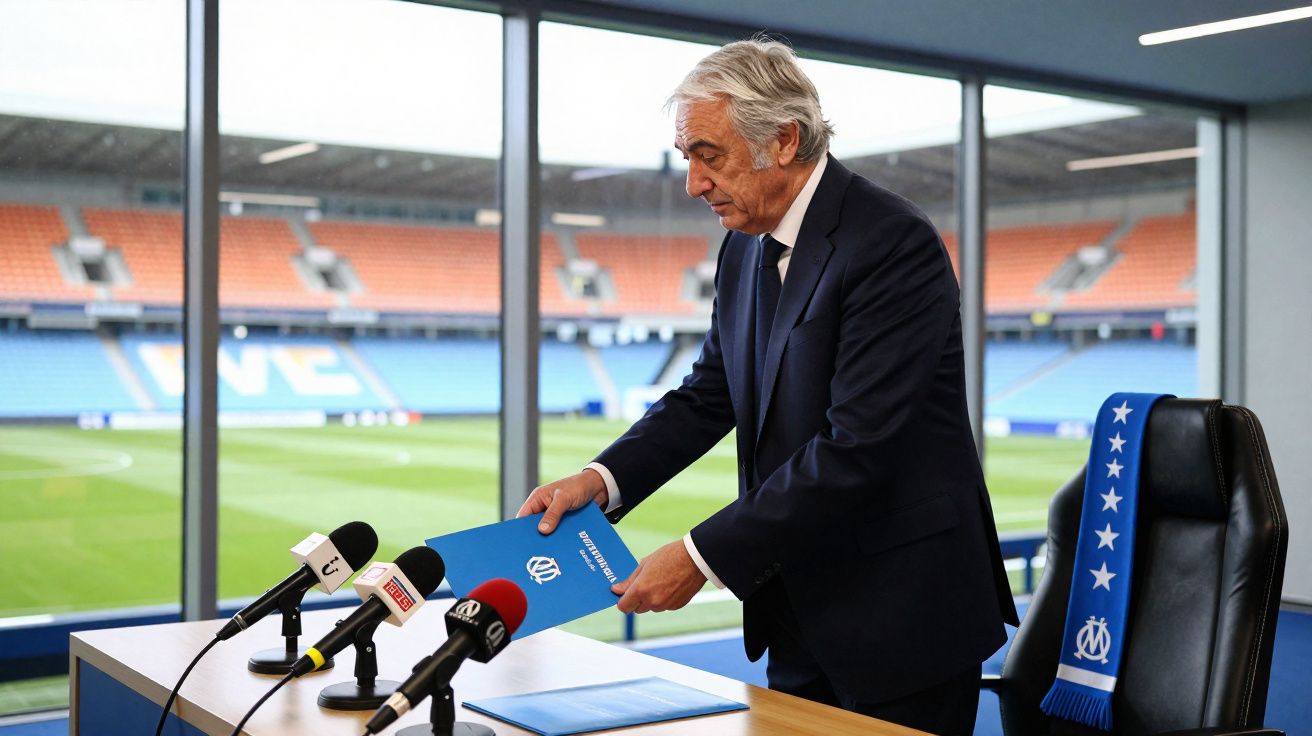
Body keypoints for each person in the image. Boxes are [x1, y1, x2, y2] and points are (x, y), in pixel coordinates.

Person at [518, 37, 1018, 735]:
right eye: (686, 158)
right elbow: (709, 394)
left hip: (903, 622)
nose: (693, 184)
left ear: (783, 141)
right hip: (797, 612)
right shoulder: (744, 247)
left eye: (707, 155)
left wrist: (698, 555)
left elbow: (856, 447)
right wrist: (600, 481)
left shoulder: (892, 242)